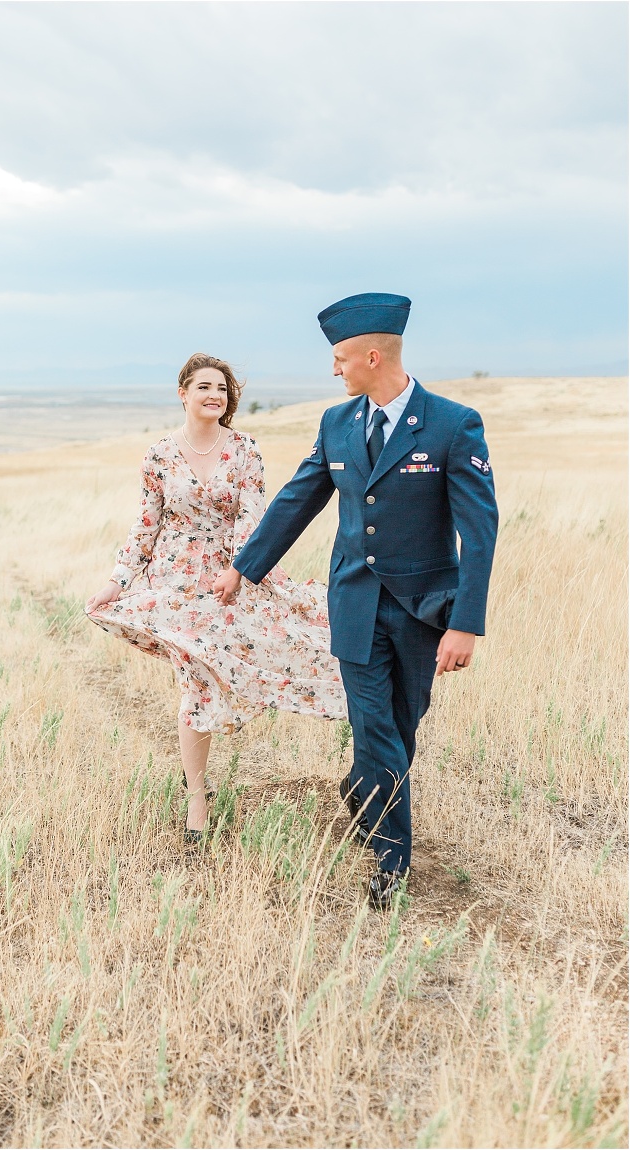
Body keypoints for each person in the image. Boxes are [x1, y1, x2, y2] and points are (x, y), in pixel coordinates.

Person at [214, 294, 498, 908]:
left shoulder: (454, 424)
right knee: (372, 725)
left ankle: (362, 789)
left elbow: (479, 532)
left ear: (373, 356)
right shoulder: (336, 424)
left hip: (425, 611)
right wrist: (243, 568)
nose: (334, 370)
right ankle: (390, 861)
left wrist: (466, 623)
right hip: (355, 604)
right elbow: (298, 497)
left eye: (340, 358)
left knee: (400, 726)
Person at [85, 352, 346, 842]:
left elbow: (255, 518)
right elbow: (147, 524)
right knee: (197, 683)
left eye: (222, 389)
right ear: (183, 393)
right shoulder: (159, 455)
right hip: (174, 584)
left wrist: (241, 572)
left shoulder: (245, 449)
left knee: (299, 640)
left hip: (229, 577)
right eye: (204, 387)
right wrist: (118, 582)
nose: (214, 396)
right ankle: (197, 802)